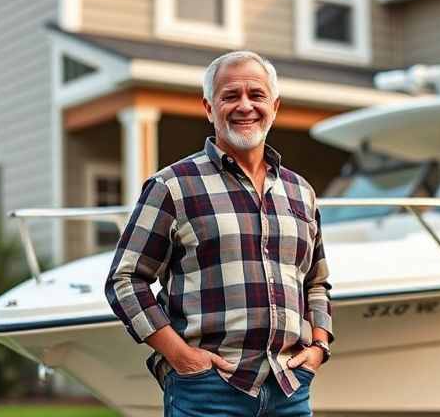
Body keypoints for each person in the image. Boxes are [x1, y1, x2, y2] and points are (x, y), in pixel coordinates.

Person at [105, 50, 333, 417]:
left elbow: (316, 283)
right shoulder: (172, 186)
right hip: (208, 392)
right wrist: (181, 356)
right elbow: (125, 280)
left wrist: (319, 347)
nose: (245, 106)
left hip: (290, 388)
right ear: (210, 109)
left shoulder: (300, 192)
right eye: (230, 96)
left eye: (256, 95)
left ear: (274, 106)